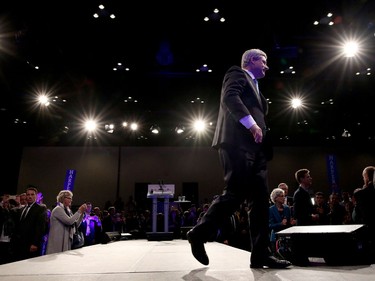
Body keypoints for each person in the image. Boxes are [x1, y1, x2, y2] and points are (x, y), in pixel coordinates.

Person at [186, 48, 291, 269]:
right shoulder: (237, 73)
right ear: (251, 60)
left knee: (261, 203)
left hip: (258, 150)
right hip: (237, 144)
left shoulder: (257, 88)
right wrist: (252, 125)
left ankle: (261, 255)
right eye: (264, 61)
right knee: (235, 193)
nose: (267, 65)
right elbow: (229, 97)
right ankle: (198, 233)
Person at [11, 186, 47, 261]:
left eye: (32, 194)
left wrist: (35, 243)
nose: (30, 196)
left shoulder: (40, 208)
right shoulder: (22, 209)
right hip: (19, 244)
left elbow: (40, 227)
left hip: (31, 244)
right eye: (28, 194)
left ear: (36, 196)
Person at [46, 190, 87, 254]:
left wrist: (81, 213)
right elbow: (69, 221)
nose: (71, 200)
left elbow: (75, 225)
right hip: (57, 242)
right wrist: (79, 211)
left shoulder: (68, 211)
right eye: (69, 198)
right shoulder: (58, 209)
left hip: (65, 242)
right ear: (63, 198)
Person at [268, 188, 296, 255]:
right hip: (276, 237)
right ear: (276, 198)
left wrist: (292, 223)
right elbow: (270, 225)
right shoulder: (270, 210)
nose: (284, 198)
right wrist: (280, 224)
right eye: (282, 196)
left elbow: (289, 222)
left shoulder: (287, 208)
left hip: (287, 237)